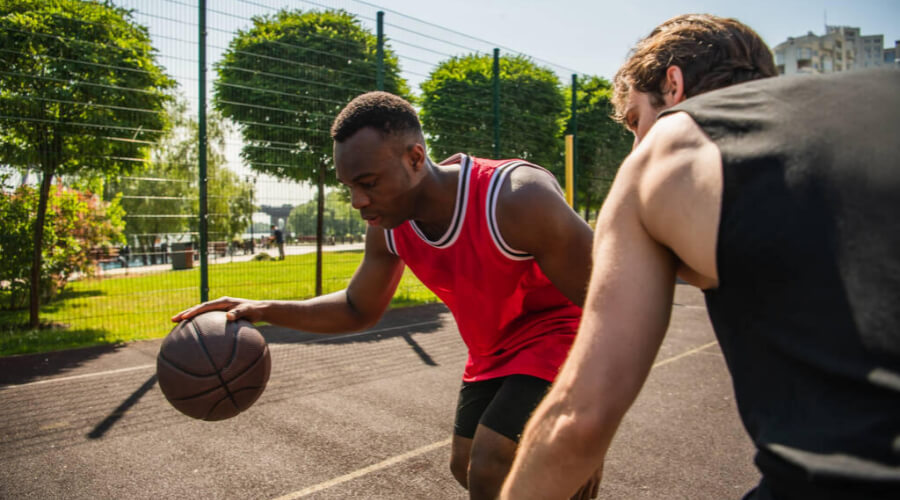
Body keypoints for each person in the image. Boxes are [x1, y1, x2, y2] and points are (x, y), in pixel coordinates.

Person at [501, 15, 900, 500]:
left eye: (634, 122)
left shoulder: (667, 151)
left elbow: (579, 419)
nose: (636, 145)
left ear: (673, 85)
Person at [172, 91, 597, 499]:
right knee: (465, 466)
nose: (358, 201)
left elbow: (607, 293)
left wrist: (596, 407)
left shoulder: (515, 198)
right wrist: (262, 309)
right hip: (491, 350)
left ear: (415, 158)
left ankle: (576, 459)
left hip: (561, 332)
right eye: (349, 187)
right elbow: (358, 308)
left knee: (490, 463)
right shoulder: (389, 227)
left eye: (368, 183)